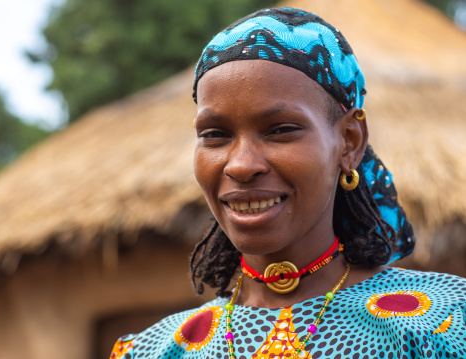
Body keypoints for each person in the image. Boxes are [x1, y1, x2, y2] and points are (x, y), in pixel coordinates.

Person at [110, 7, 466, 359]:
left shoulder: (445, 325)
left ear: (349, 141)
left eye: (280, 130)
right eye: (215, 134)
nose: (241, 165)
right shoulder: (151, 351)